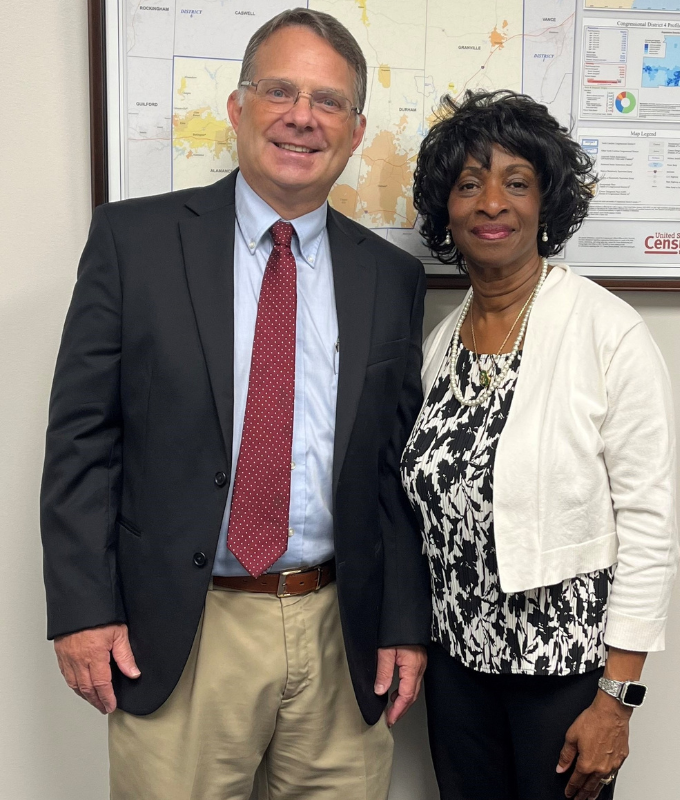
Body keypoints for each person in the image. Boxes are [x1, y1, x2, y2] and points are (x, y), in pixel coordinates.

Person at [40, 9, 430, 800]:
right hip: (183, 629)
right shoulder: (134, 243)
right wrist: (81, 610)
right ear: (237, 107)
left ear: (356, 133)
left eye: (328, 102)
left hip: (337, 631)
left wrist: (401, 623)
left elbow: (395, 470)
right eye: (280, 90)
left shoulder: (389, 279)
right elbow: (83, 439)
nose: (301, 116)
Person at [402, 90, 679, 800]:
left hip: (561, 680)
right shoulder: (440, 343)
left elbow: (649, 525)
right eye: (469, 184)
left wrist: (617, 700)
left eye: (516, 182)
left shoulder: (607, 333)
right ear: (447, 210)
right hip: (455, 669)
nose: (492, 202)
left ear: (546, 202)